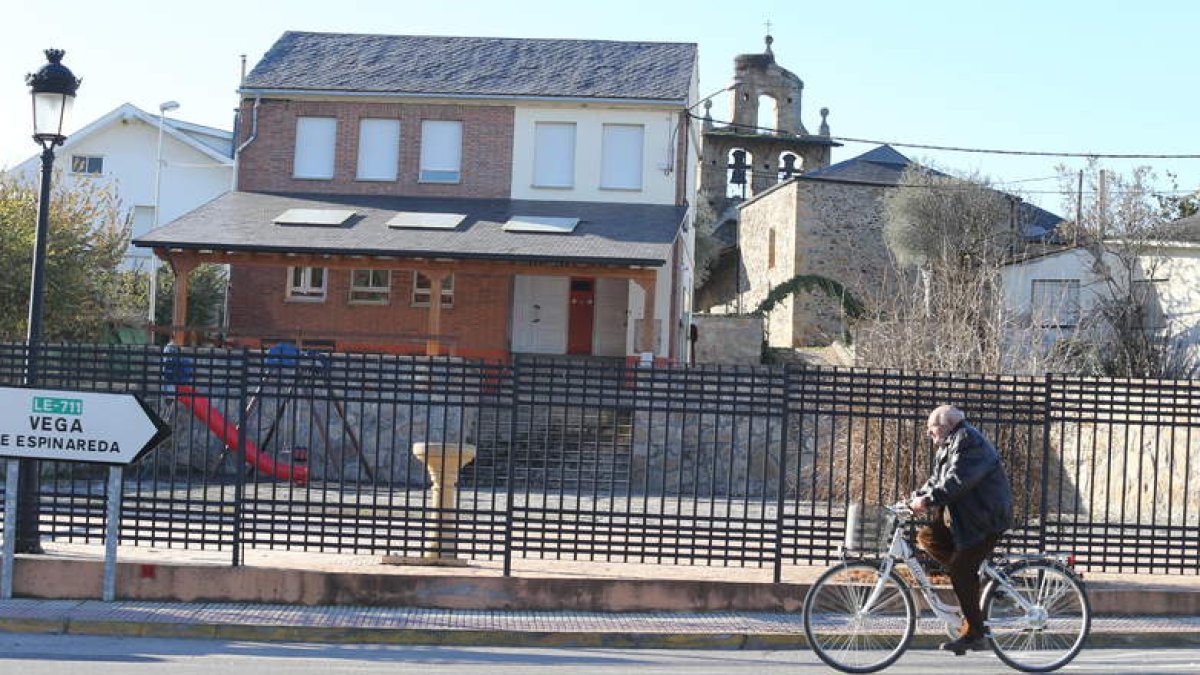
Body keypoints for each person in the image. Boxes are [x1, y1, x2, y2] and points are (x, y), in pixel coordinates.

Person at [909, 405, 1013, 655]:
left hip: (984, 519)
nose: (929, 434)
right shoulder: (948, 444)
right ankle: (974, 577)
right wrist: (917, 497)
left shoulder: (968, 441)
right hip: (966, 519)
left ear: (944, 425)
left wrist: (928, 500)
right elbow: (937, 480)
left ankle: (975, 634)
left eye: (931, 429)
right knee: (927, 537)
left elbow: (958, 480)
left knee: (960, 570)